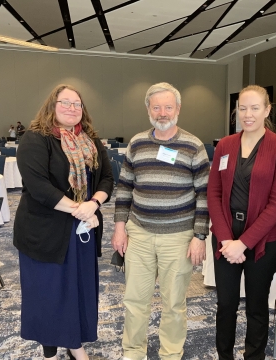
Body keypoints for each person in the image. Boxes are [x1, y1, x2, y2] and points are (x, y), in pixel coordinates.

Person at [14, 84, 114, 360]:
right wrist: (78, 209)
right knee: (50, 290)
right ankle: (60, 342)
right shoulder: (35, 139)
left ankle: (72, 340)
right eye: (65, 103)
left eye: (77, 104)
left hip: (81, 229)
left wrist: (93, 204)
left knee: (77, 289)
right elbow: (38, 186)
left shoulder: (91, 140)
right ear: (52, 106)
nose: (72, 108)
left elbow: (106, 178)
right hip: (44, 230)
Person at [111, 82, 210, 360]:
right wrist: (120, 228)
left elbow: (205, 194)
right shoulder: (137, 143)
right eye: (157, 107)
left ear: (178, 109)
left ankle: (170, 354)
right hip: (139, 234)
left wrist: (199, 236)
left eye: (168, 107)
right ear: (148, 110)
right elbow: (124, 188)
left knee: (174, 304)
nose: (162, 113)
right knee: (134, 301)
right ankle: (133, 353)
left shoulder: (193, 146)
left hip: (178, 237)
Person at [207, 85, 276, 360]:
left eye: (255, 108)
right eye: (242, 108)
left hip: (264, 241)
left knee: (257, 307)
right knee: (226, 305)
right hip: (225, 234)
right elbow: (214, 193)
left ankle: (253, 356)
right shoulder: (225, 145)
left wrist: (243, 243)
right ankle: (225, 356)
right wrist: (226, 239)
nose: (248, 114)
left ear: (268, 110)